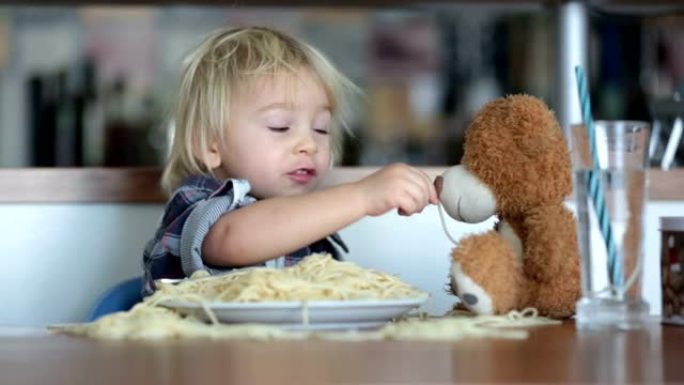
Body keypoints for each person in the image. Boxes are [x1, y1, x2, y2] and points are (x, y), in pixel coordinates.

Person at [142, 26, 438, 294]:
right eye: (280, 126)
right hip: (205, 351)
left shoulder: (307, 222)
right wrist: (363, 196)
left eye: (321, 128)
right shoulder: (199, 201)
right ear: (209, 145)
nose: (309, 144)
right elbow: (234, 238)